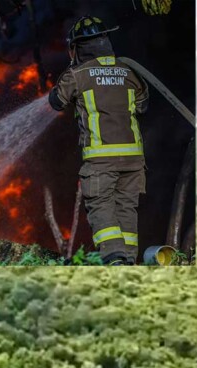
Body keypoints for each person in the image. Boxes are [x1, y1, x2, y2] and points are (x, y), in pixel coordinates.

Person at [49, 15, 149, 265]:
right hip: (133, 159)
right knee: (126, 207)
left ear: (77, 47)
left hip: (101, 159)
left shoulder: (77, 75)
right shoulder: (129, 71)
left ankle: (114, 259)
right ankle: (128, 262)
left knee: (101, 205)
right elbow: (143, 105)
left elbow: (57, 101)